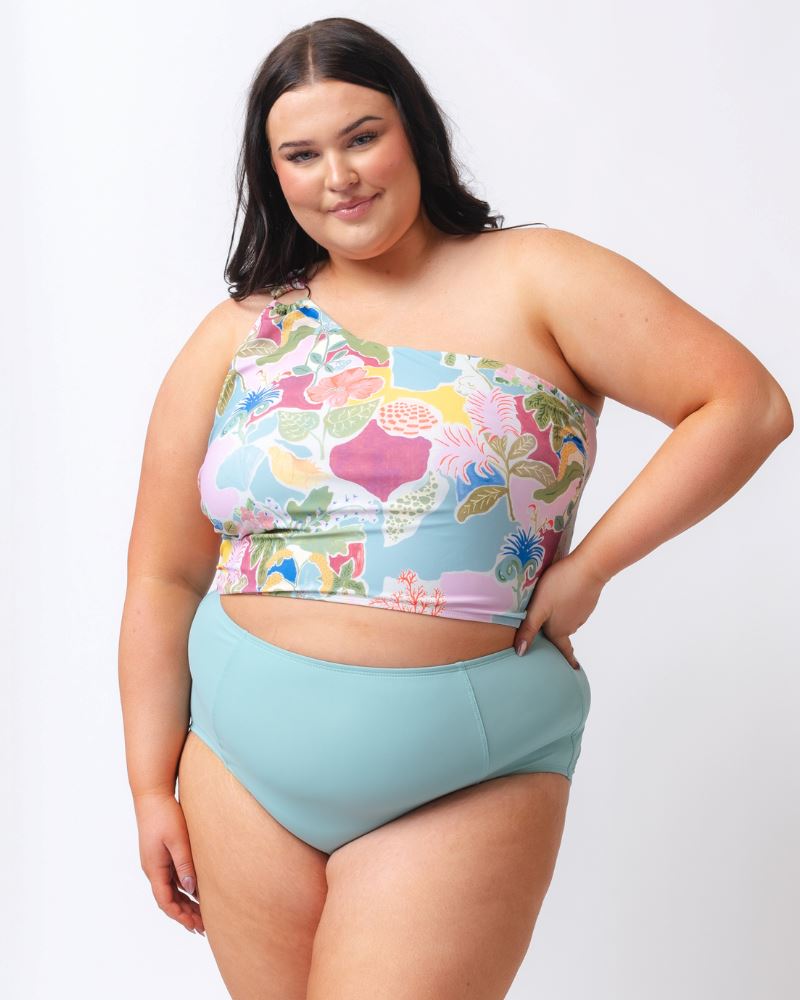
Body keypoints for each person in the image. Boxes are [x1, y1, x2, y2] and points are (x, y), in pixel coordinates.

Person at [118, 15, 794, 1000]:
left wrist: (590, 566)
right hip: (234, 760)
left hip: (460, 770)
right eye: (300, 155)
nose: (337, 176)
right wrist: (147, 785)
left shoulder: (536, 275)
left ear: (414, 134)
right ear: (273, 176)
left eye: (360, 137)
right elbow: (162, 572)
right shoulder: (239, 333)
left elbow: (746, 405)